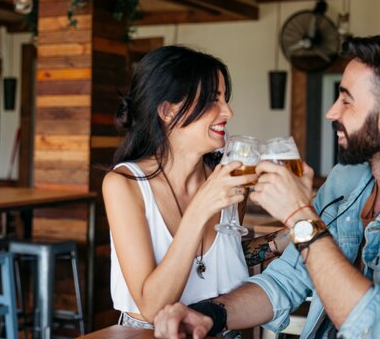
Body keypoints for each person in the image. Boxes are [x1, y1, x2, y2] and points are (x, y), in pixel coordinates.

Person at [153, 33, 380, 339]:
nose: (331, 112)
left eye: (347, 100)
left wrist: (298, 215)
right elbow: (284, 282)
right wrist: (207, 314)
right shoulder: (348, 178)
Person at [102, 45, 287, 330]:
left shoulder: (228, 178)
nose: (228, 111)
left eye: (225, 98)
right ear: (167, 110)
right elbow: (153, 306)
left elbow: (222, 257)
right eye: (214, 99)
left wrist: (287, 238)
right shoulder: (125, 185)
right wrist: (200, 210)